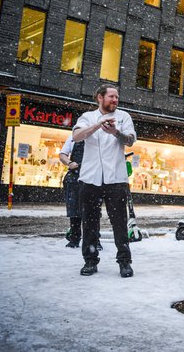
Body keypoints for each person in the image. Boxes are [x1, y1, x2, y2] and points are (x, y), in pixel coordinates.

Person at [73, 84, 137, 278]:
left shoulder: (124, 116)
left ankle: (124, 262)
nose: (115, 100)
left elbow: (130, 140)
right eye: (111, 96)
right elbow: (76, 136)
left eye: (117, 97)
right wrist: (96, 127)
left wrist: (115, 132)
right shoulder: (87, 117)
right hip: (90, 178)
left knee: (120, 222)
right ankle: (90, 261)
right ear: (100, 98)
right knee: (89, 223)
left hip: (116, 179)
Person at [59, 135, 85, 248]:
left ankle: (94, 240)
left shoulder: (97, 137)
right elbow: (62, 155)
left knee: (92, 210)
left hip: (92, 176)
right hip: (74, 176)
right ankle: (75, 238)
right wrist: (69, 163)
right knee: (74, 209)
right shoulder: (73, 137)